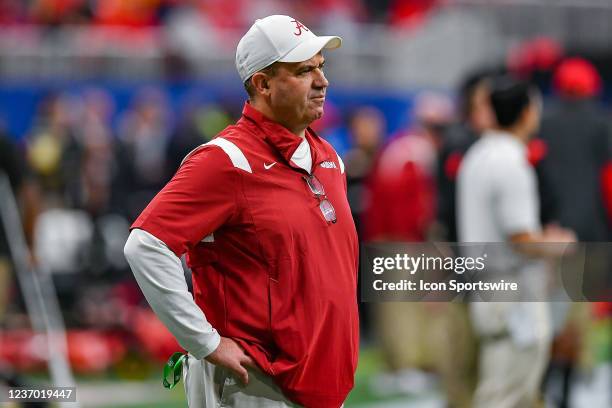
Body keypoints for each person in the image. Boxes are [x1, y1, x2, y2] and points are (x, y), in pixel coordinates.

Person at [124, 15, 358, 408]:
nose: (322, 81)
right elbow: (145, 246)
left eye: (321, 67)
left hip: (320, 378)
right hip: (256, 383)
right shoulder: (226, 160)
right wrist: (204, 341)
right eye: (304, 71)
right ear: (262, 84)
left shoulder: (328, 156)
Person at [457, 77, 575, 408]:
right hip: (511, 290)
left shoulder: (478, 153)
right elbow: (521, 238)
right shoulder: (510, 160)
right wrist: (560, 243)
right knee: (507, 393)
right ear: (525, 113)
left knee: (504, 389)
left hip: (490, 286)